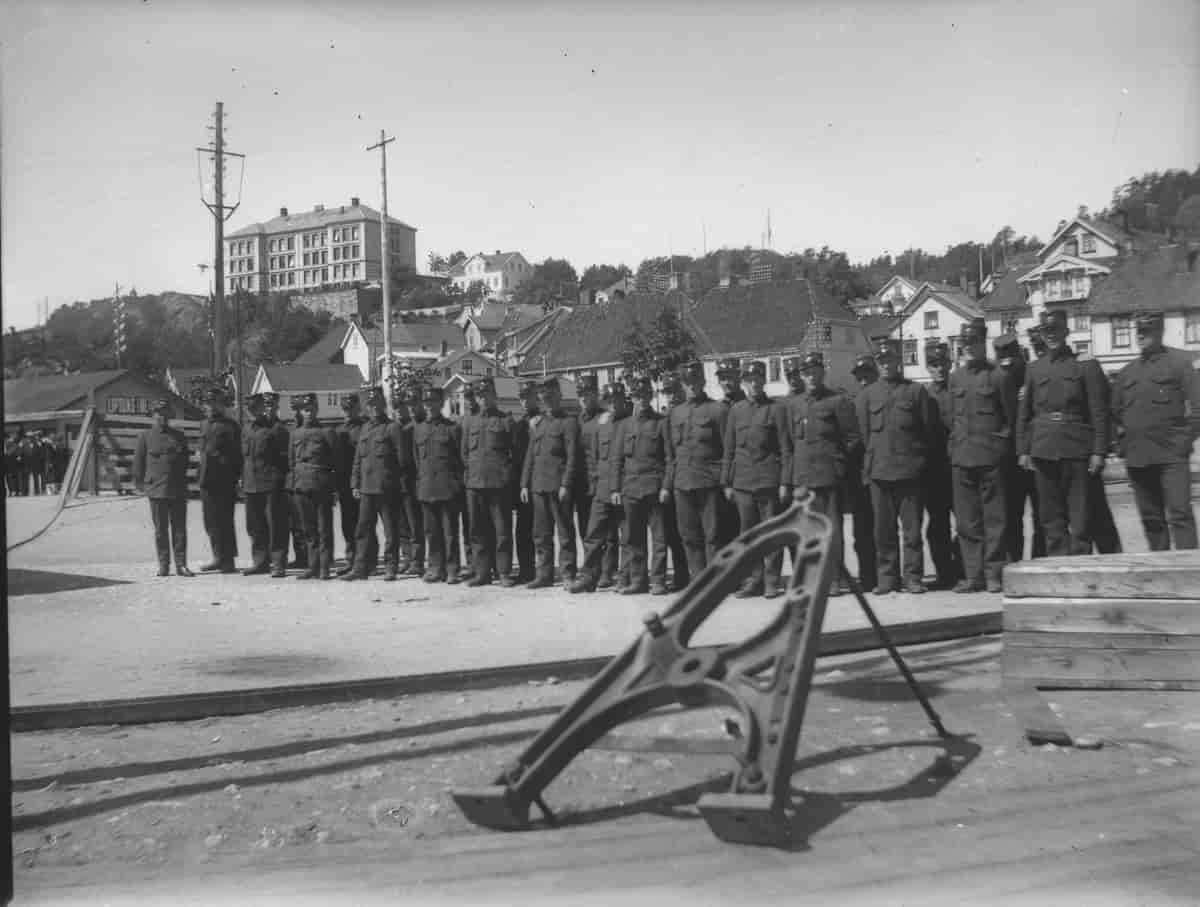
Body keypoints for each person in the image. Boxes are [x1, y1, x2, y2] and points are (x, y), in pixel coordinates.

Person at [1016, 309, 1109, 556]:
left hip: (1077, 449)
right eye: (1046, 331)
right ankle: (1058, 568)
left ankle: (1081, 569)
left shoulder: (1085, 366)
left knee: (1080, 518)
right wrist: (1023, 450)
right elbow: (1024, 414)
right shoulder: (1034, 369)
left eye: (1056, 330)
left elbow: (1099, 413)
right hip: (1043, 448)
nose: (1051, 336)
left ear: (1066, 332)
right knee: (1051, 517)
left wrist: (1099, 451)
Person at [1111, 311, 1200, 551]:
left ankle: (1189, 576)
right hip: (1138, 457)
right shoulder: (1127, 372)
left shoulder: (1179, 364)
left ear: (1159, 332)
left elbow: (1198, 408)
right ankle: (1159, 569)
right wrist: (1122, 445)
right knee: (1151, 519)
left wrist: (1184, 442)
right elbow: (1114, 412)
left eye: (1146, 331)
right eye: (1138, 331)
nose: (1140, 336)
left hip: (1171, 455)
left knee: (1180, 515)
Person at [856, 339, 934, 595]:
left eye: (889, 360)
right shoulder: (867, 395)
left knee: (912, 532)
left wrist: (919, 463)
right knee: (884, 532)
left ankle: (912, 577)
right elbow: (866, 436)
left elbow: (927, 430)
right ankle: (887, 578)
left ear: (898, 361)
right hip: (879, 472)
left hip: (909, 472)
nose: (886, 365)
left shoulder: (915, 392)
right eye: (881, 362)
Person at [948, 319, 1014, 593]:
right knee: (967, 521)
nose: (969, 347)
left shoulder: (999, 376)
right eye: (965, 343)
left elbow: (1010, 420)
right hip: (962, 457)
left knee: (995, 519)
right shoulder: (956, 378)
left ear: (983, 341)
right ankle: (973, 575)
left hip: (989, 457)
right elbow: (954, 417)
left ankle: (994, 575)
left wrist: (1000, 450)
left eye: (974, 341)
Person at [787, 351, 859, 596]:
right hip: (803, 478)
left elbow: (851, 438)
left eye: (815, 372)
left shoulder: (837, 401)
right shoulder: (794, 404)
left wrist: (837, 465)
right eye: (806, 373)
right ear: (801, 376)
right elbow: (790, 442)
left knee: (832, 531)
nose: (811, 377)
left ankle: (835, 579)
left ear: (822, 373)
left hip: (828, 477)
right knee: (807, 532)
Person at [721, 360, 792, 598]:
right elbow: (728, 450)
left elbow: (785, 449)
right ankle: (755, 580)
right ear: (744, 383)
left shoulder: (777, 409)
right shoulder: (736, 410)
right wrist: (726, 482)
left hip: (768, 482)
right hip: (742, 483)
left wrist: (784, 482)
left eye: (758, 380)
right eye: (750, 381)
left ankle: (772, 581)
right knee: (748, 535)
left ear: (764, 381)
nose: (754, 384)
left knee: (770, 534)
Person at [667, 361, 729, 582]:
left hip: (709, 481)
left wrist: (724, 480)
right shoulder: (675, 413)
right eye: (687, 382)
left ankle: (715, 580)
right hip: (682, 482)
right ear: (682, 385)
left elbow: (726, 449)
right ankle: (698, 578)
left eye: (695, 381)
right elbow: (671, 453)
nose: (691, 386)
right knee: (689, 535)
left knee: (713, 535)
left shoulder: (718, 410)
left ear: (703, 381)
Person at [612, 375, 671, 595]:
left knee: (659, 537)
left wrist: (666, 486)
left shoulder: (661, 422)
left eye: (646, 395)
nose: (642, 400)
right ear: (632, 398)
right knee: (633, 537)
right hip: (630, 488)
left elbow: (669, 459)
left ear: (651, 396)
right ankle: (638, 580)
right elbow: (617, 460)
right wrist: (615, 489)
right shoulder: (625, 425)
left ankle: (658, 580)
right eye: (637, 396)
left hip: (654, 487)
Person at [344, 386, 410, 581]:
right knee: (363, 529)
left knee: (391, 530)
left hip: (386, 488)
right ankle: (361, 567)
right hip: (366, 488)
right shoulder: (364, 429)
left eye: (377, 405)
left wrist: (395, 484)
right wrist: (355, 484)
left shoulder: (393, 428)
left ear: (383, 405)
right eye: (370, 405)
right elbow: (358, 459)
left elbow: (403, 460)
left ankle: (391, 567)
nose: (373, 408)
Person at [521, 379, 580, 589]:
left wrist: (566, 484)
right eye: (545, 399)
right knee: (541, 534)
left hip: (558, 486)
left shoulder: (569, 422)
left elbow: (572, 457)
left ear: (559, 397)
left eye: (552, 398)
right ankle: (544, 574)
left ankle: (568, 574)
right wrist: (524, 484)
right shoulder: (538, 424)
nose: (548, 402)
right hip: (538, 486)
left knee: (564, 533)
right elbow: (530, 455)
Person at [571, 382, 630, 593]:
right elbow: (596, 457)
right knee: (593, 534)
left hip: (625, 487)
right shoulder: (601, 424)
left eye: (616, 400)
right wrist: (596, 485)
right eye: (609, 400)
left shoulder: (631, 423)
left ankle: (624, 577)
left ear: (624, 400)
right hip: (603, 487)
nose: (613, 404)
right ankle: (588, 577)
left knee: (627, 536)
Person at [461, 377, 517, 588]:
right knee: (477, 531)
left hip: (498, 484)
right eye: (480, 396)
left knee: (502, 531)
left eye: (487, 395)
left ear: (495, 395)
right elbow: (464, 453)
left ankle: (503, 572)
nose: (483, 399)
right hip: (475, 484)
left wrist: (505, 476)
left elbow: (514, 454)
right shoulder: (469, 421)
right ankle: (482, 573)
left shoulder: (505, 421)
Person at [132, 398, 193, 577]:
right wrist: (140, 484)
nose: (162, 417)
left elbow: (184, 462)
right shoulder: (145, 437)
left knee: (179, 529)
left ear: (170, 416)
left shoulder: (180, 437)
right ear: (154, 415)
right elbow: (139, 463)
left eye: (166, 414)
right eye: (159, 414)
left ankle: (181, 565)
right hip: (156, 489)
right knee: (161, 530)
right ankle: (164, 565)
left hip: (177, 489)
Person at [998, 331, 1045, 561]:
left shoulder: (1033, 375)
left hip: (1035, 455)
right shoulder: (999, 379)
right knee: (1010, 515)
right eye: (1003, 362)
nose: (1008, 367)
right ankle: (1013, 561)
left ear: (1019, 355)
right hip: (1008, 461)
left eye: (1011, 360)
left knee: (1041, 514)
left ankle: (1040, 559)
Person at [414, 384, 464, 583]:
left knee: (450, 532)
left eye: (433, 402)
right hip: (426, 487)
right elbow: (417, 459)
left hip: (447, 488)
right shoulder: (418, 429)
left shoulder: (452, 428)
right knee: (431, 532)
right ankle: (435, 568)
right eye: (426, 403)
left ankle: (452, 569)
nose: (429, 406)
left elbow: (460, 460)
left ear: (441, 403)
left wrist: (456, 485)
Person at [923, 341, 962, 589]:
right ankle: (944, 575)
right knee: (937, 527)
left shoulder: (959, 390)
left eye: (942, 364)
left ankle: (962, 570)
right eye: (934, 365)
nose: (939, 369)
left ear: (950, 364)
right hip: (934, 470)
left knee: (967, 523)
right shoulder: (923, 395)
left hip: (959, 466)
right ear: (928, 367)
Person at [240, 392, 291, 578]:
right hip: (251, 484)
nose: (252, 412)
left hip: (271, 484)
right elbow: (243, 457)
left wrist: (282, 481)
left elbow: (286, 459)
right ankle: (260, 562)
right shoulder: (246, 429)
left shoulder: (277, 430)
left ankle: (278, 563)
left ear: (263, 408)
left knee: (276, 525)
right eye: (249, 409)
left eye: (256, 409)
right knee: (254, 526)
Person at [290, 393, 339, 580]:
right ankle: (313, 566)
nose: (308, 413)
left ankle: (325, 567)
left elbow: (335, 461)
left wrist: (332, 487)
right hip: (301, 485)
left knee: (324, 529)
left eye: (311, 410)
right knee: (308, 529)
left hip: (321, 485)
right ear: (300, 412)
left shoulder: (326, 432)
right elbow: (291, 461)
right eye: (305, 410)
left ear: (317, 410)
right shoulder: (295, 433)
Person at [197, 384, 242, 572]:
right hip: (206, 480)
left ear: (221, 405)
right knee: (209, 521)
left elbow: (237, 454)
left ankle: (228, 560)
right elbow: (201, 449)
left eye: (213, 404)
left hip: (224, 480)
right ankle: (217, 557)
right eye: (207, 404)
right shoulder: (204, 424)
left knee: (224, 521)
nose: (209, 407)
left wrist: (236, 478)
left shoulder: (230, 426)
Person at [846, 354, 880, 591]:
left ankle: (887, 575)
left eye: (868, 375)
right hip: (858, 477)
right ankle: (868, 577)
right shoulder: (852, 404)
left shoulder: (884, 398)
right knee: (862, 533)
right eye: (860, 377)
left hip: (882, 473)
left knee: (884, 531)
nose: (864, 380)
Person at [658, 373, 690, 591]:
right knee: (671, 534)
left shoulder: (686, 415)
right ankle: (680, 576)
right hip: (664, 484)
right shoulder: (662, 419)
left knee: (688, 532)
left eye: (674, 391)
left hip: (684, 481)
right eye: (667, 392)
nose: (671, 396)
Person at [334, 392, 371, 576]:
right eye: (345, 409)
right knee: (347, 524)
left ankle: (367, 561)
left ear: (358, 408)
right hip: (343, 483)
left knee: (364, 523)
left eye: (352, 409)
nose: (348, 412)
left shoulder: (366, 427)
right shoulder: (338, 430)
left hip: (363, 482)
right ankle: (351, 559)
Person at [511, 380, 540, 583]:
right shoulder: (519, 425)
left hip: (542, 482)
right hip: (524, 485)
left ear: (535, 397)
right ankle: (526, 570)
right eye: (521, 397)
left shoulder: (544, 421)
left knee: (543, 530)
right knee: (522, 530)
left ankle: (545, 570)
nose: (524, 401)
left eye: (527, 396)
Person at [394, 386, 425, 578]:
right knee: (402, 524)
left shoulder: (419, 427)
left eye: (412, 404)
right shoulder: (398, 428)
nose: (406, 409)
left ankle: (417, 561)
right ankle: (407, 557)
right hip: (399, 482)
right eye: (404, 406)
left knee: (415, 524)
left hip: (415, 481)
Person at [715, 357, 745, 547]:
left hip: (745, 477)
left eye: (730, 377)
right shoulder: (716, 408)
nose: (726, 382)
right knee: (724, 532)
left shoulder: (748, 405)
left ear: (739, 377)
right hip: (721, 478)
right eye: (722, 378)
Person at [574, 374, 603, 555]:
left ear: (595, 394)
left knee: (604, 529)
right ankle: (590, 566)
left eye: (588, 394)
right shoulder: (576, 420)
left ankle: (607, 571)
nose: (584, 398)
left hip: (600, 481)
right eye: (581, 395)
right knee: (584, 527)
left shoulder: (605, 418)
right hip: (582, 483)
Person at [457, 384, 480, 582]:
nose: (469, 400)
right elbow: (461, 453)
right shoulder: (461, 422)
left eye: (472, 397)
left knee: (483, 525)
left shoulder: (482, 418)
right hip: (466, 481)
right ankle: (472, 564)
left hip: (480, 479)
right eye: (466, 397)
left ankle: (488, 565)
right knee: (470, 526)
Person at [284, 396, 310, 572]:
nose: (296, 413)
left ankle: (312, 557)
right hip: (292, 482)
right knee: (295, 524)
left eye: (299, 409)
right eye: (293, 409)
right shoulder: (289, 430)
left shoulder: (310, 430)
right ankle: (300, 557)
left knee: (308, 521)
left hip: (307, 481)